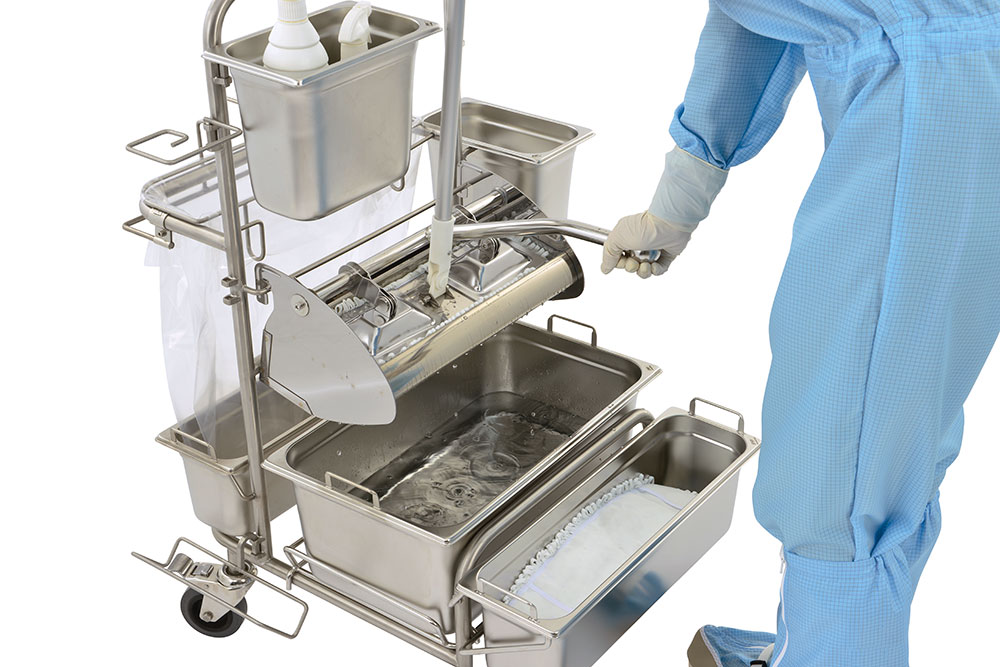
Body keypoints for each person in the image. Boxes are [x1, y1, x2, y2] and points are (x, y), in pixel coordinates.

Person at [601, 2, 1000, 666]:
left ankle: (833, 651)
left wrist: (683, 193)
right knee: (900, 420)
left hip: (922, 101)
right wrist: (679, 199)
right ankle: (823, 641)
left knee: (840, 451)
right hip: (970, 68)